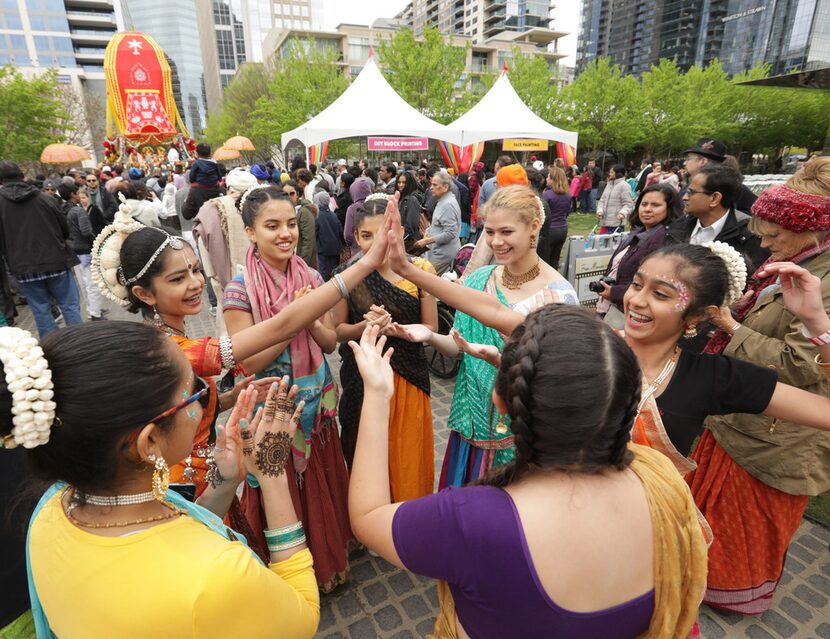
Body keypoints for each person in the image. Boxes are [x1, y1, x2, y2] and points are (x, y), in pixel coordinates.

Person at [346, 316, 707, 639]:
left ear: (502, 404)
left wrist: (377, 394)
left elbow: (367, 517)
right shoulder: (658, 474)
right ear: (624, 403)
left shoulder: (472, 519)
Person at [10, 322, 320, 638]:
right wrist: (272, 475)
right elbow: (303, 616)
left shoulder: (51, 511)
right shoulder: (216, 577)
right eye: (197, 392)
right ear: (150, 443)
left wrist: (224, 480)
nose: (205, 402)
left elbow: (177, 533)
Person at [688, 159, 830, 614]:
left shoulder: (822, 280)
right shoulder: (802, 258)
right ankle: (703, 578)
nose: (763, 243)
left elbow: (799, 363)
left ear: (811, 230)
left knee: (746, 523)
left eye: (773, 235)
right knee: (717, 513)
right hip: (745, 414)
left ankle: (735, 595)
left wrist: (731, 327)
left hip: (778, 434)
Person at [390, 186, 578, 486]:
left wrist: (501, 361)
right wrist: (428, 336)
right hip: (470, 430)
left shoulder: (558, 297)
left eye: (506, 231)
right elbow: (457, 348)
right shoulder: (479, 279)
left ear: (533, 227)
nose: (496, 242)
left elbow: (555, 385)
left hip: (520, 439)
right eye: (489, 232)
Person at [222, 186, 353, 592]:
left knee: (320, 481)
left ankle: (329, 560)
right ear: (251, 231)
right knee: (279, 485)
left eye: (292, 224)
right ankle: (292, 573)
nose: (285, 234)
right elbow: (249, 362)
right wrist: (292, 319)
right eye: (272, 225)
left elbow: (330, 343)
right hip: (272, 411)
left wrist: (311, 319)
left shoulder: (312, 276)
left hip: (315, 402)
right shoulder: (238, 290)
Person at [333, 194, 437, 501]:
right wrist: (368, 326)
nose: (376, 244)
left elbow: (431, 327)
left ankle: (406, 522)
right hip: (362, 378)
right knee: (366, 450)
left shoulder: (420, 271)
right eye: (366, 236)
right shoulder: (347, 276)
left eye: (385, 235)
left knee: (406, 453)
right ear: (355, 236)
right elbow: (338, 331)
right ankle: (368, 521)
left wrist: (404, 332)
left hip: (409, 376)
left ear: (399, 234)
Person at [0, 161, 82, 337]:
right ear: (22, 176)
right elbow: (64, 229)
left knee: (41, 310)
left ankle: (52, 349)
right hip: (56, 261)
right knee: (69, 306)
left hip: (23, 267)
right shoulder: (45, 198)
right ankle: (79, 343)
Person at [667, 164, 768, 284]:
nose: (684, 197)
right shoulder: (677, 227)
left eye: (691, 192)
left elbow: (755, 283)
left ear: (715, 198)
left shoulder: (750, 236)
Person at [596, 184, 682, 318]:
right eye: (644, 204)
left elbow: (655, 282)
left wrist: (615, 293)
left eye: (655, 205)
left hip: (634, 312)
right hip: (615, 306)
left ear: (669, 209)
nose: (647, 209)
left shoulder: (663, 238)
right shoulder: (638, 231)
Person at [192, 168, 259, 329]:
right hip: (262, 281)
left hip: (225, 285)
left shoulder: (211, 209)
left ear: (229, 188)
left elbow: (204, 250)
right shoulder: (264, 202)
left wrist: (213, 275)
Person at [59, 183, 104, 322]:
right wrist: (95, 242)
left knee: (83, 283)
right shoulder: (78, 211)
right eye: (78, 193)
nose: (80, 196)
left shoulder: (61, 210)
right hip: (85, 250)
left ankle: (91, 309)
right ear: (73, 194)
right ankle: (95, 313)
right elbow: (86, 231)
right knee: (93, 283)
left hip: (72, 251)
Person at [682, 138, 757, 212]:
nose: (684, 163)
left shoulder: (731, 188)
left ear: (703, 161)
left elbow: (755, 212)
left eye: (689, 159)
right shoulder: (687, 187)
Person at [415, 171, 461, 275]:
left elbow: (450, 233)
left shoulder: (447, 204)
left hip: (442, 254)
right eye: (431, 184)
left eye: (435, 185)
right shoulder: (444, 201)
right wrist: (429, 231)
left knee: (427, 283)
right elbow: (439, 224)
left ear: (445, 187)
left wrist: (426, 241)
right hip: (438, 252)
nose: (431, 187)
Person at [282, 180, 317, 270]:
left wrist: (301, 265)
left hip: (302, 263)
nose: (289, 197)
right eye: (285, 194)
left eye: (292, 194)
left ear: (297, 194)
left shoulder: (304, 211)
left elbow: (308, 242)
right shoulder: (284, 211)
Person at [183, 143, 223, 220]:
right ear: (210, 153)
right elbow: (219, 177)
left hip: (202, 223)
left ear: (197, 154)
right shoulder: (215, 164)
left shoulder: (196, 164)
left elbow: (192, 177)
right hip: (218, 224)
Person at [544, 167, 571, 268]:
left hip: (550, 230)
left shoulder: (547, 195)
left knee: (545, 259)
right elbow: (567, 212)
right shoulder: (568, 195)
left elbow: (544, 214)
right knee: (555, 259)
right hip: (563, 229)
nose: (546, 179)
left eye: (548, 177)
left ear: (552, 179)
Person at [313, 190, 342, 281]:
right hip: (335, 247)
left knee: (323, 270)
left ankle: (324, 288)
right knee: (335, 269)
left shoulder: (317, 216)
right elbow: (340, 230)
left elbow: (315, 232)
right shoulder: (333, 215)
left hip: (322, 248)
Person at [343, 177, 373, 262]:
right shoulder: (376, 204)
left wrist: (351, 243)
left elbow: (347, 234)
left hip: (358, 251)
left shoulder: (352, 209)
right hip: (377, 250)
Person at [597, 164, 634, 233]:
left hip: (616, 224)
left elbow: (628, 204)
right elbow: (602, 200)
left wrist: (622, 213)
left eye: (612, 172)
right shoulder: (609, 184)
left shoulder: (624, 185)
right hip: (605, 223)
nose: (609, 174)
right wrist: (600, 211)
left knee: (614, 243)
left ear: (618, 173)